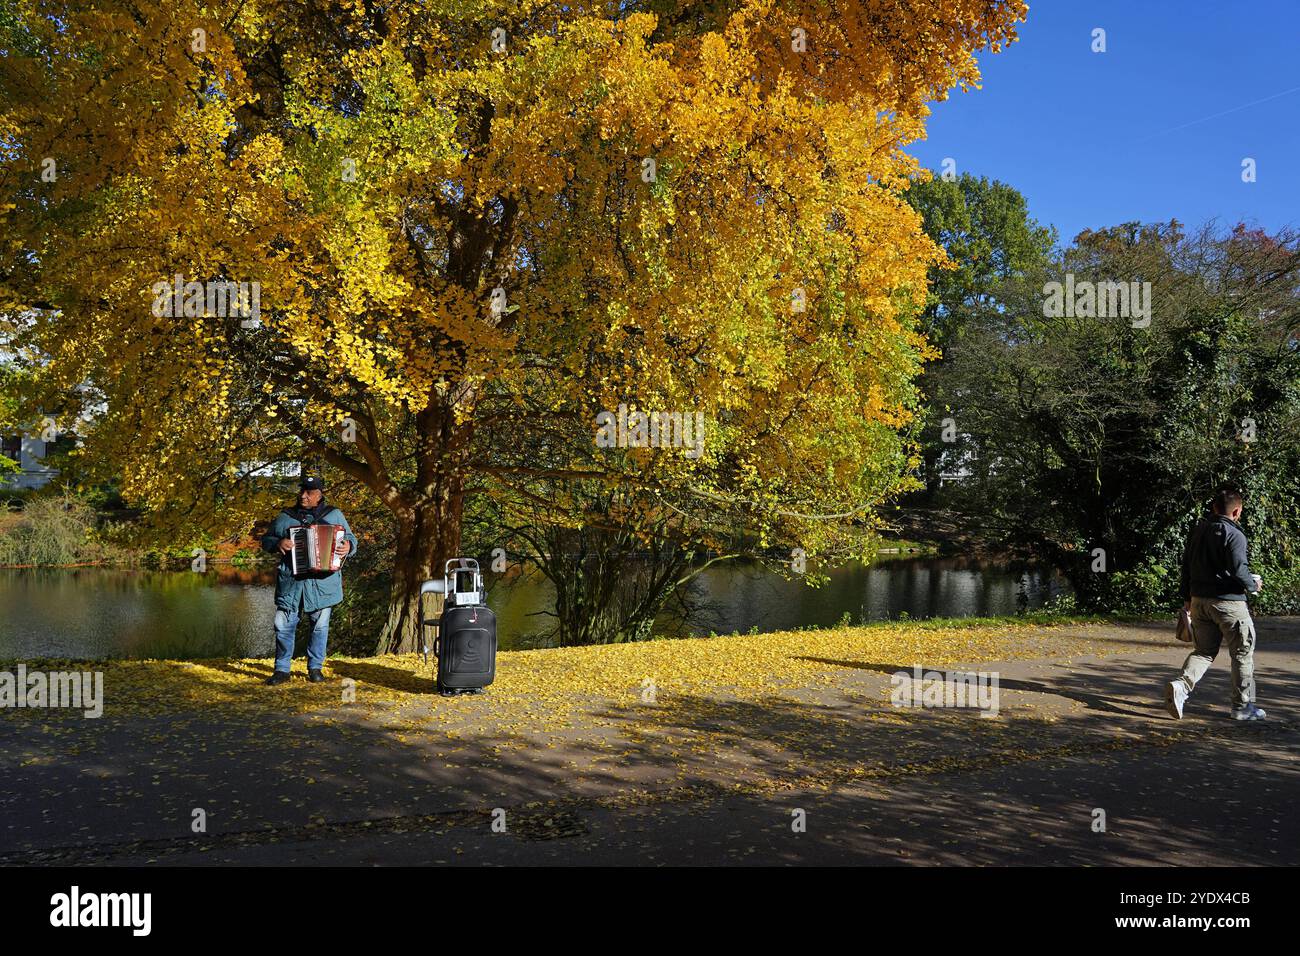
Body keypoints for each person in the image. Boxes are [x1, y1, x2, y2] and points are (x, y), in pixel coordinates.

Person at [1165, 488, 1265, 721]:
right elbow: (1239, 570)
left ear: (1214, 508)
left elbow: (1186, 566)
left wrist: (1187, 598)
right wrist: (1253, 585)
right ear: (1237, 511)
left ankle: (1181, 686)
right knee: (1242, 654)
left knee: (1203, 652)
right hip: (1229, 603)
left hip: (1199, 600)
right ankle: (1242, 707)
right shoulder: (1235, 534)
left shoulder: (1198, 531)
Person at [259, 475, 357, 685]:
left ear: (319, 494)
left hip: (323, 584)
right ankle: (282, 670)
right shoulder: (286, 517)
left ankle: (315, 668)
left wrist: (348, 546)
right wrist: (278, 543)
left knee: (319, 628)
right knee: (282, 625)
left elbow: (351, 539)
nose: (303, 496)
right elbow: (266, 540)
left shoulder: (334, 515)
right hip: (291, 584)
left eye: (309, 492)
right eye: (302, 491)